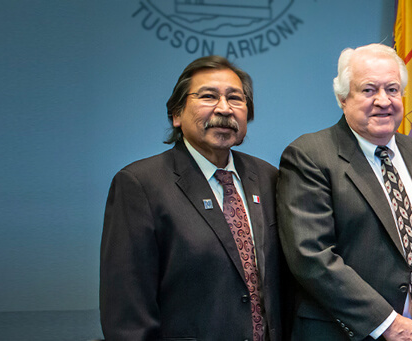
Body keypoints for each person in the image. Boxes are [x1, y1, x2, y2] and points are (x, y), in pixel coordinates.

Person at [100, 55, 288, 341]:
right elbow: (127, 310)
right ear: (176, 114)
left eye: (235, 98)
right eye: (209, 96)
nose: (224, 109)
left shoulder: (268, 177)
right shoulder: (140, 184)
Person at [277, 43, 412, 341]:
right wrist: (387, 323)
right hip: (342, 333)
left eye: (392, 89)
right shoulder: (310, 156)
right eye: (369, 90)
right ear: (342, 98)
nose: (383, 101)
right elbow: (311, 256)